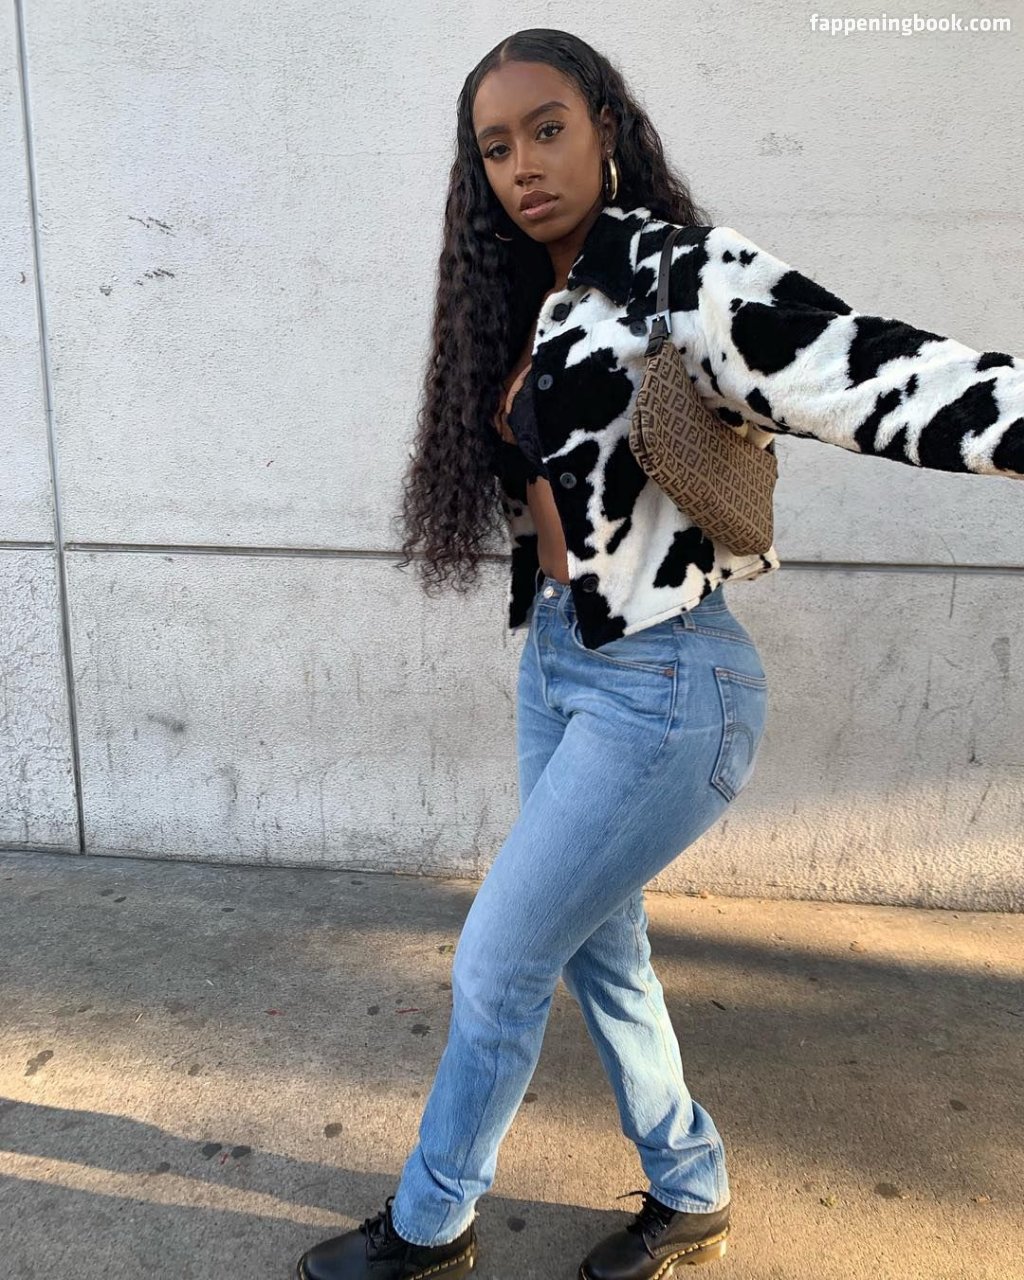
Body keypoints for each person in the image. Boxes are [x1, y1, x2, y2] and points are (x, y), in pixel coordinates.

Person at [294, 27, 1023, 1280]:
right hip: (561, 667)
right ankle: (690, 1189)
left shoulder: (678, 275)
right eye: (496, 148)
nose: (524, 164)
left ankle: (429, 1223)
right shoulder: (522, 299)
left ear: (606, 127)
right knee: (602, 952)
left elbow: (864, 363)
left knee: (498, 960)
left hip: (669, 684)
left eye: (547, 129)